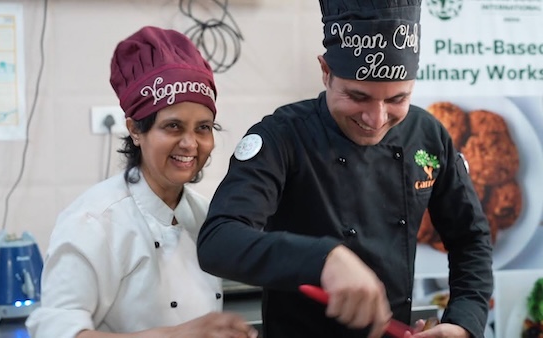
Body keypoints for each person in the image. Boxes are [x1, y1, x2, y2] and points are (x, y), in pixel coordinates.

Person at [196, 1, 493, 338]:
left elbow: (470, 238)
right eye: (358, 96)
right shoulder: (281, 136)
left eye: (397, 99)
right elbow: (218, 240)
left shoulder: (428, 135)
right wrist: (324, 258)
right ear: (326, 72)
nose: (376, 119)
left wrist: (463, 322)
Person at [26, 26, 258, 338]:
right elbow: (54, 331)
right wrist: (175, 335)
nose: (191, 144)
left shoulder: (204, 215)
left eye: (203, 127)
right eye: (173, 126)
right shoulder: (94, 221)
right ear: (136, 130)